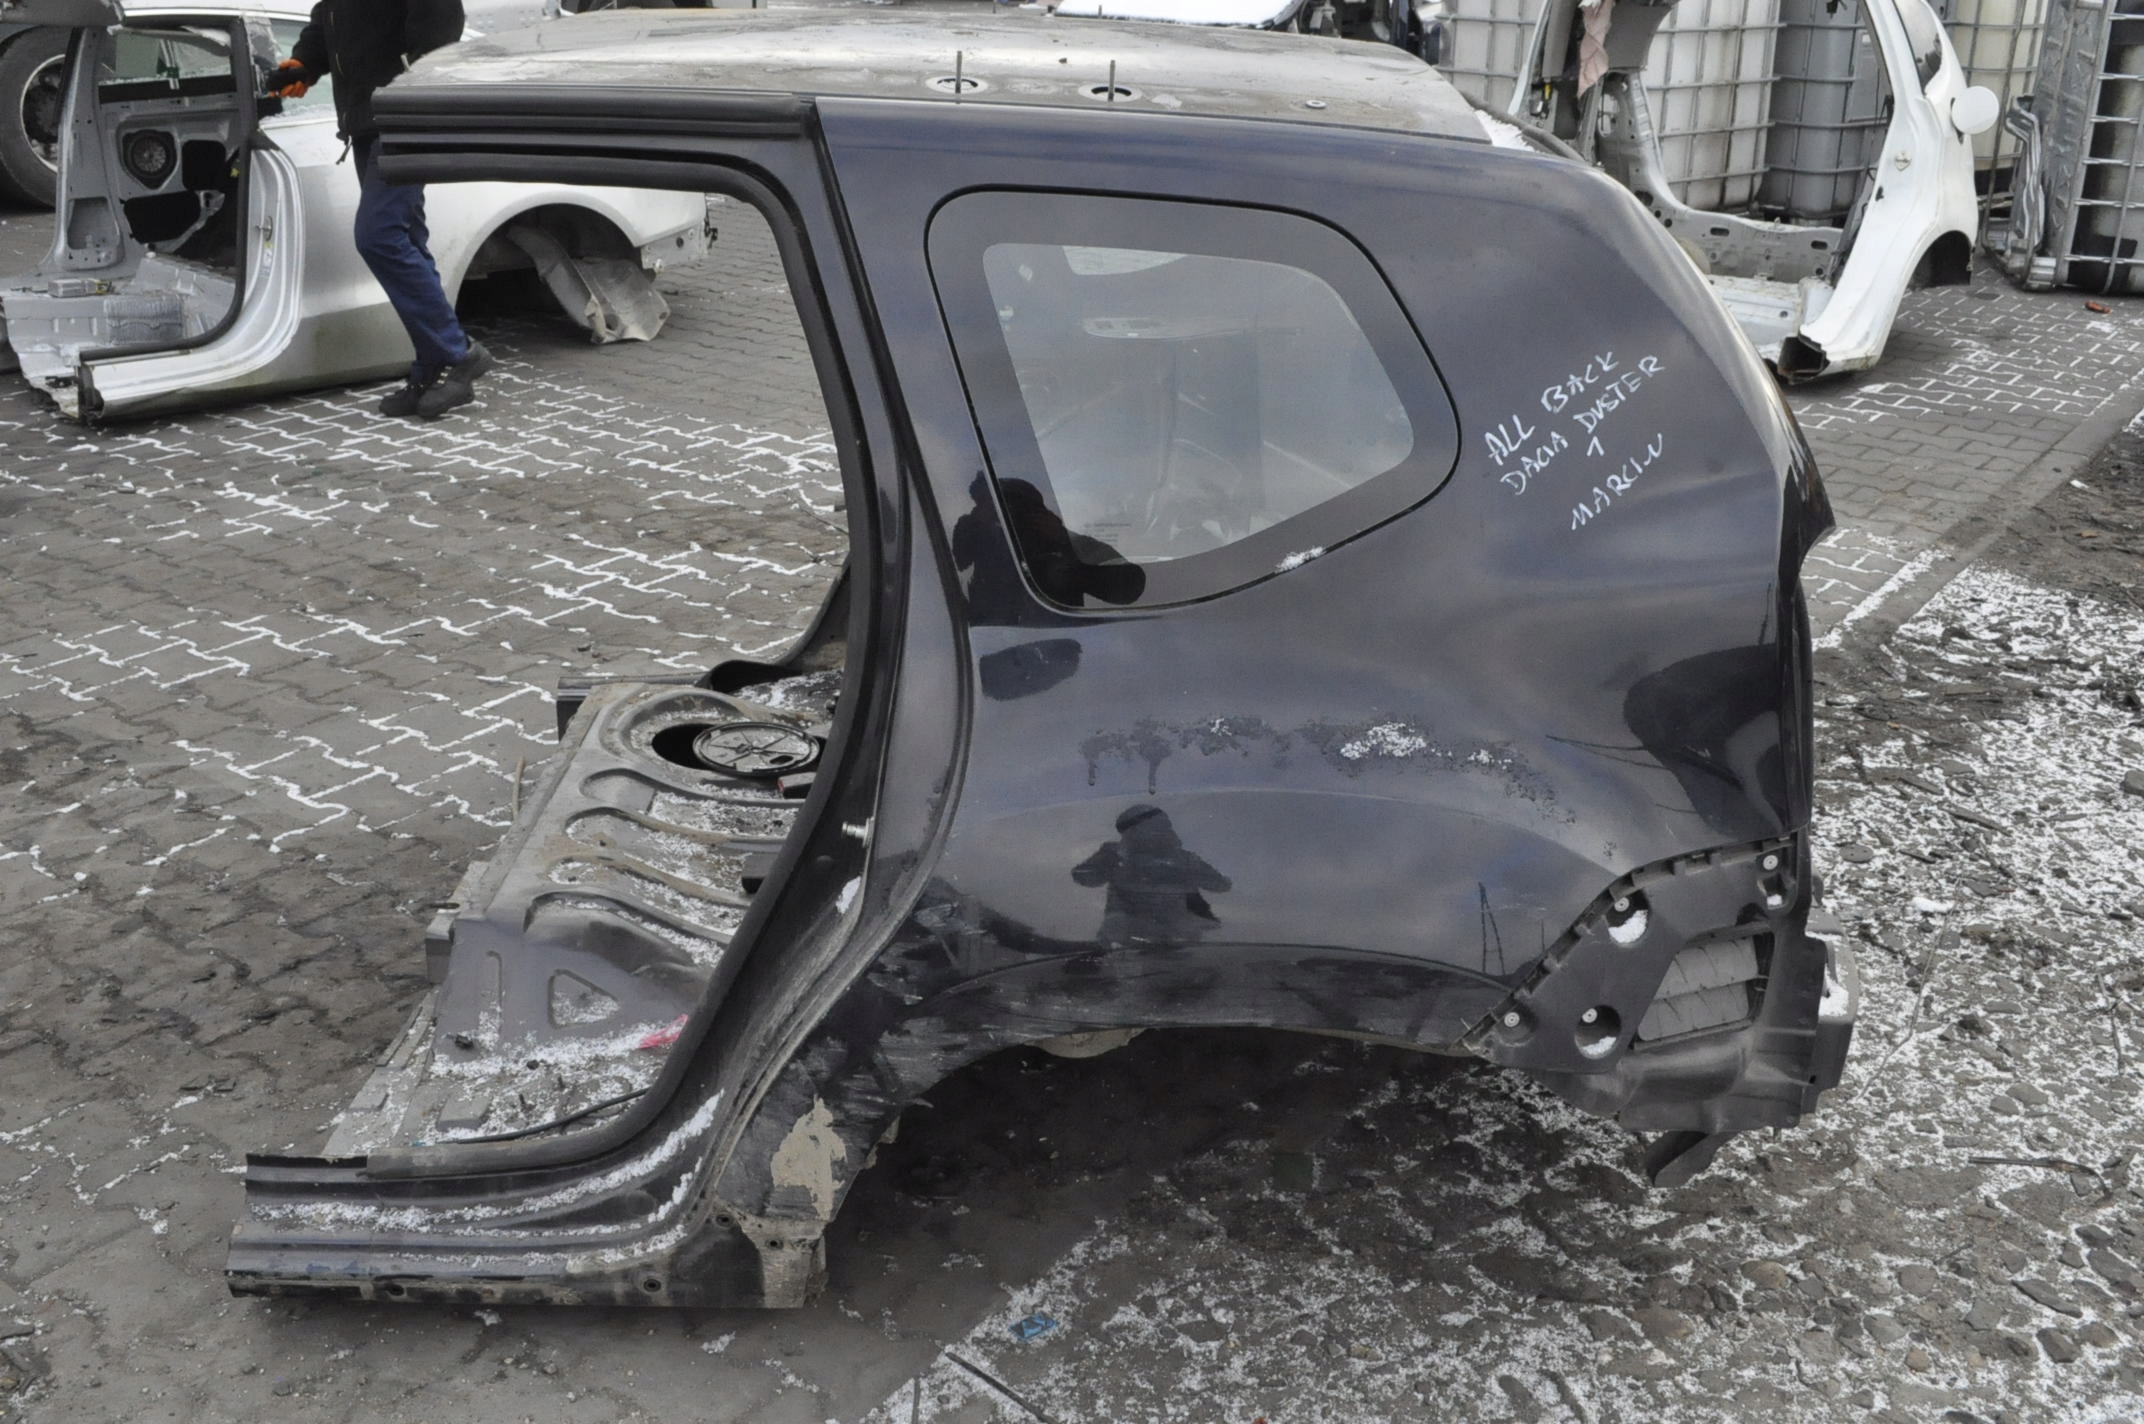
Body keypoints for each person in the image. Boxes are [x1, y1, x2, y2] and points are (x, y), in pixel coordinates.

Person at [271, 0, 493, 419]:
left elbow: (439, 41)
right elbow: (329, 19)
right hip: (366, 124)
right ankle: (430, 364)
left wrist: (412, 97)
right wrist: (303, 64)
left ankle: (460, 353)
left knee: (379, 235)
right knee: (407, 239)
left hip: (404, 121)